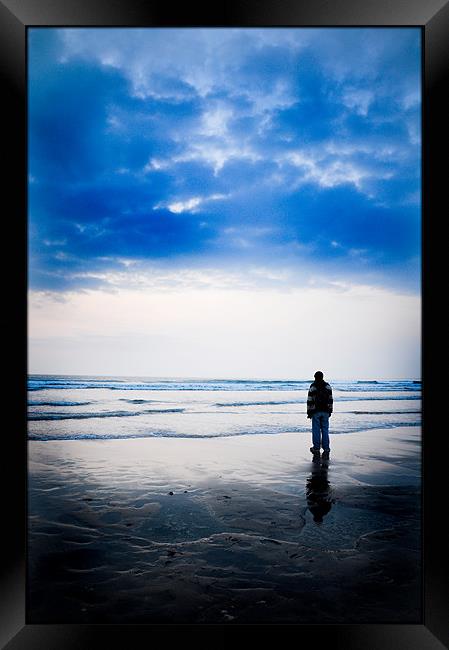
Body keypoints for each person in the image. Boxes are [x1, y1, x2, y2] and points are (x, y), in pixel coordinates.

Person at [307, 370, 333, 454]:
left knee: (316, 430)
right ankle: (326, 448)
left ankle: (316, 448)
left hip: (316, 411)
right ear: (322, 377)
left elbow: (309, 400)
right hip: (325, 411)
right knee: (325, 429)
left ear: (315, 377)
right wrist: (330, 411)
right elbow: (330, 399)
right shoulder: (327, 386)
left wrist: (309, 412)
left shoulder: (313, 386)